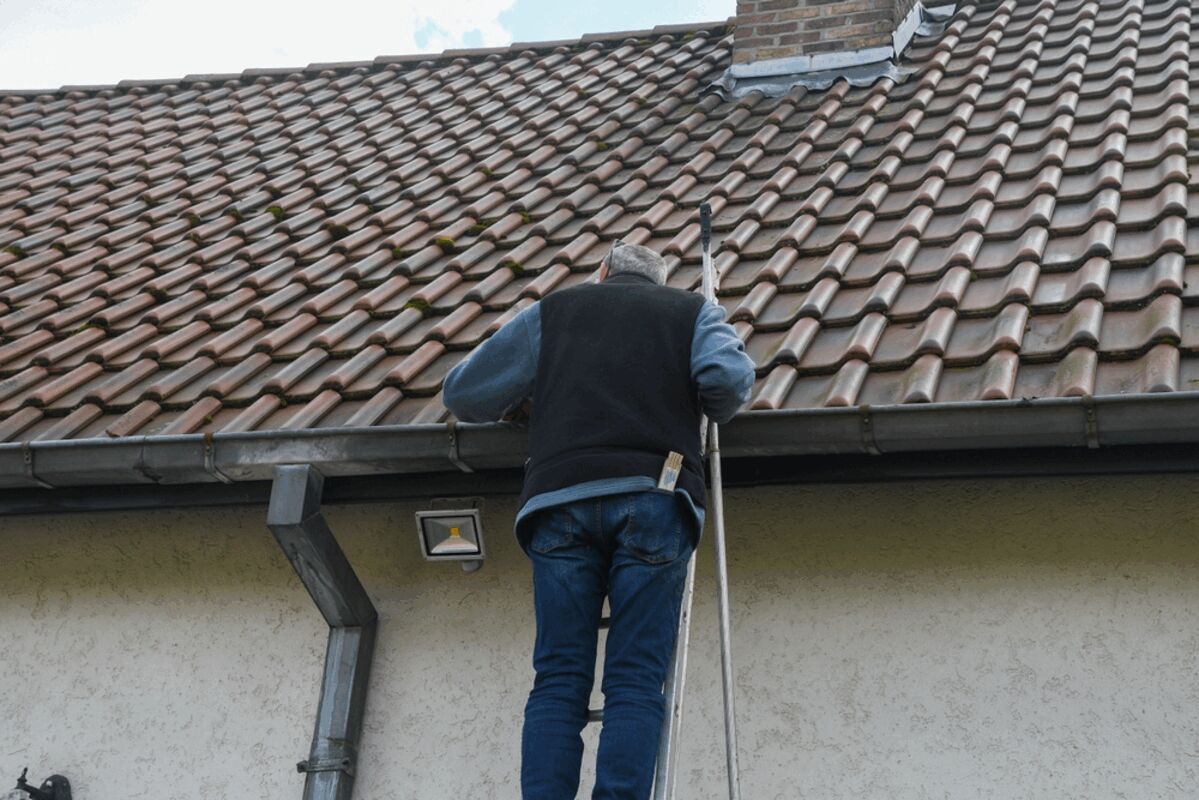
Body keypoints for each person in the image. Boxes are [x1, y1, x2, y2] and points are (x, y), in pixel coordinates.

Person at [442, 240, 755, 799]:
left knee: (559, 679)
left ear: (602, 271)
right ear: (657, 284)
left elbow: (464, 394)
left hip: (559, 501)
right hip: (656, 494)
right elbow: (728, 382)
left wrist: (529, 402)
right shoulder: (691, 312)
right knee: (635, 680)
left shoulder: (556, 311)